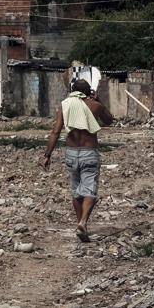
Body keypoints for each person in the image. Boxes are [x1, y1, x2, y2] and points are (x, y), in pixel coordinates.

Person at [39, 78, 114, 242]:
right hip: (89, 153)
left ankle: (81, 225)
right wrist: (99, 101)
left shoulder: (65, 106)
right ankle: (83, 222)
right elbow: (109, 120)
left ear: (72, 91)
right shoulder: (95, 106)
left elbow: (55, 131)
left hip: (71, 153)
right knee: (90, 191)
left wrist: (47, 155)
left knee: (76, 191)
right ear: (89, 92)